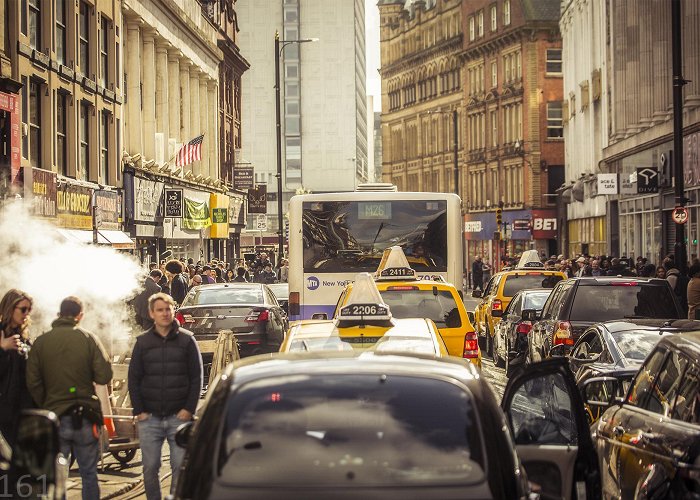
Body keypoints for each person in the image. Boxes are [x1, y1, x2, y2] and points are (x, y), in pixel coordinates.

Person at [26, 296, 112, 500]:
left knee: (57, 475)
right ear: (80, 316)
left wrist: (46, 401)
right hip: (84, 414)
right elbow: (104, 376)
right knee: (89, 473)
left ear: (59, 314)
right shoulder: (88, 338)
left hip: (54, 415)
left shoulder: (41, 342)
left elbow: (32, 381)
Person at [128, 293, 202, 499]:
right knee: (150, 468)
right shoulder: (142, 342)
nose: (165, 313)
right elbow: (133, 378)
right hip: (149, 418)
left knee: (180, 467)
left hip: (179, 417)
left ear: (173, 310)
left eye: (168, 309)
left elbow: (196, 377)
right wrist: (139, 411)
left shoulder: (187, 340)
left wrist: (188, 409)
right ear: (151, 313)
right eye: (160, 310)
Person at [0, 289, 34, 448]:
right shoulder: (2, 334)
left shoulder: (24, 338)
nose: (26, 313)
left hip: (23, 408)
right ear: (10, 308)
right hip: (5, 409)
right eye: (23, 309)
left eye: (29, 309)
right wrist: (2, 349)